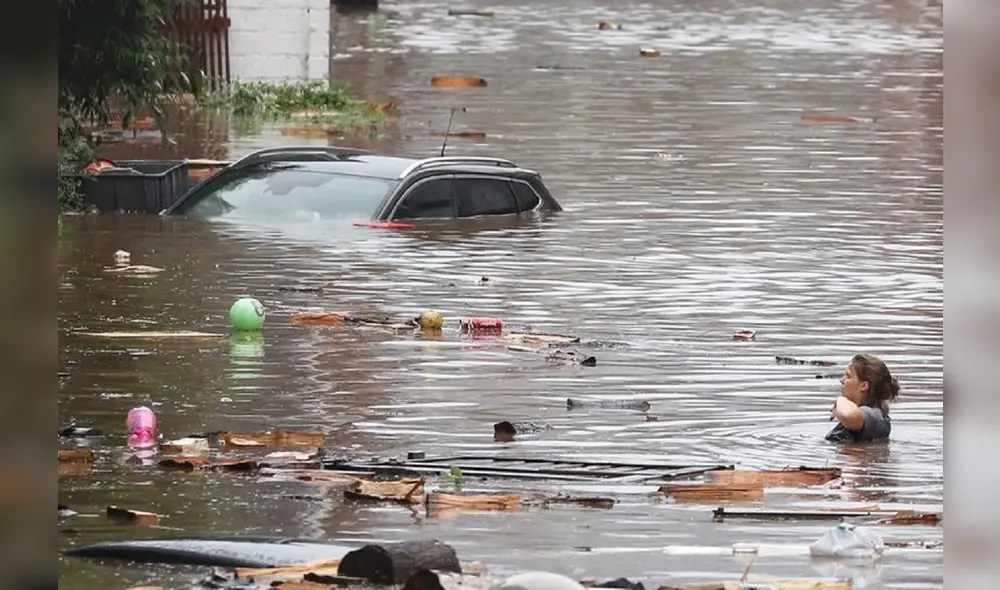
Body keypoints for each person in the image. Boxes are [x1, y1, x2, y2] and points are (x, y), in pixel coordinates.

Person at [825, 354, 899, 443]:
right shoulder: (876, 417)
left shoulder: (875, 415)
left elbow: (850, 415)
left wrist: (840, 400)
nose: (842, 380)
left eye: (848, 376)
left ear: (864, 386)